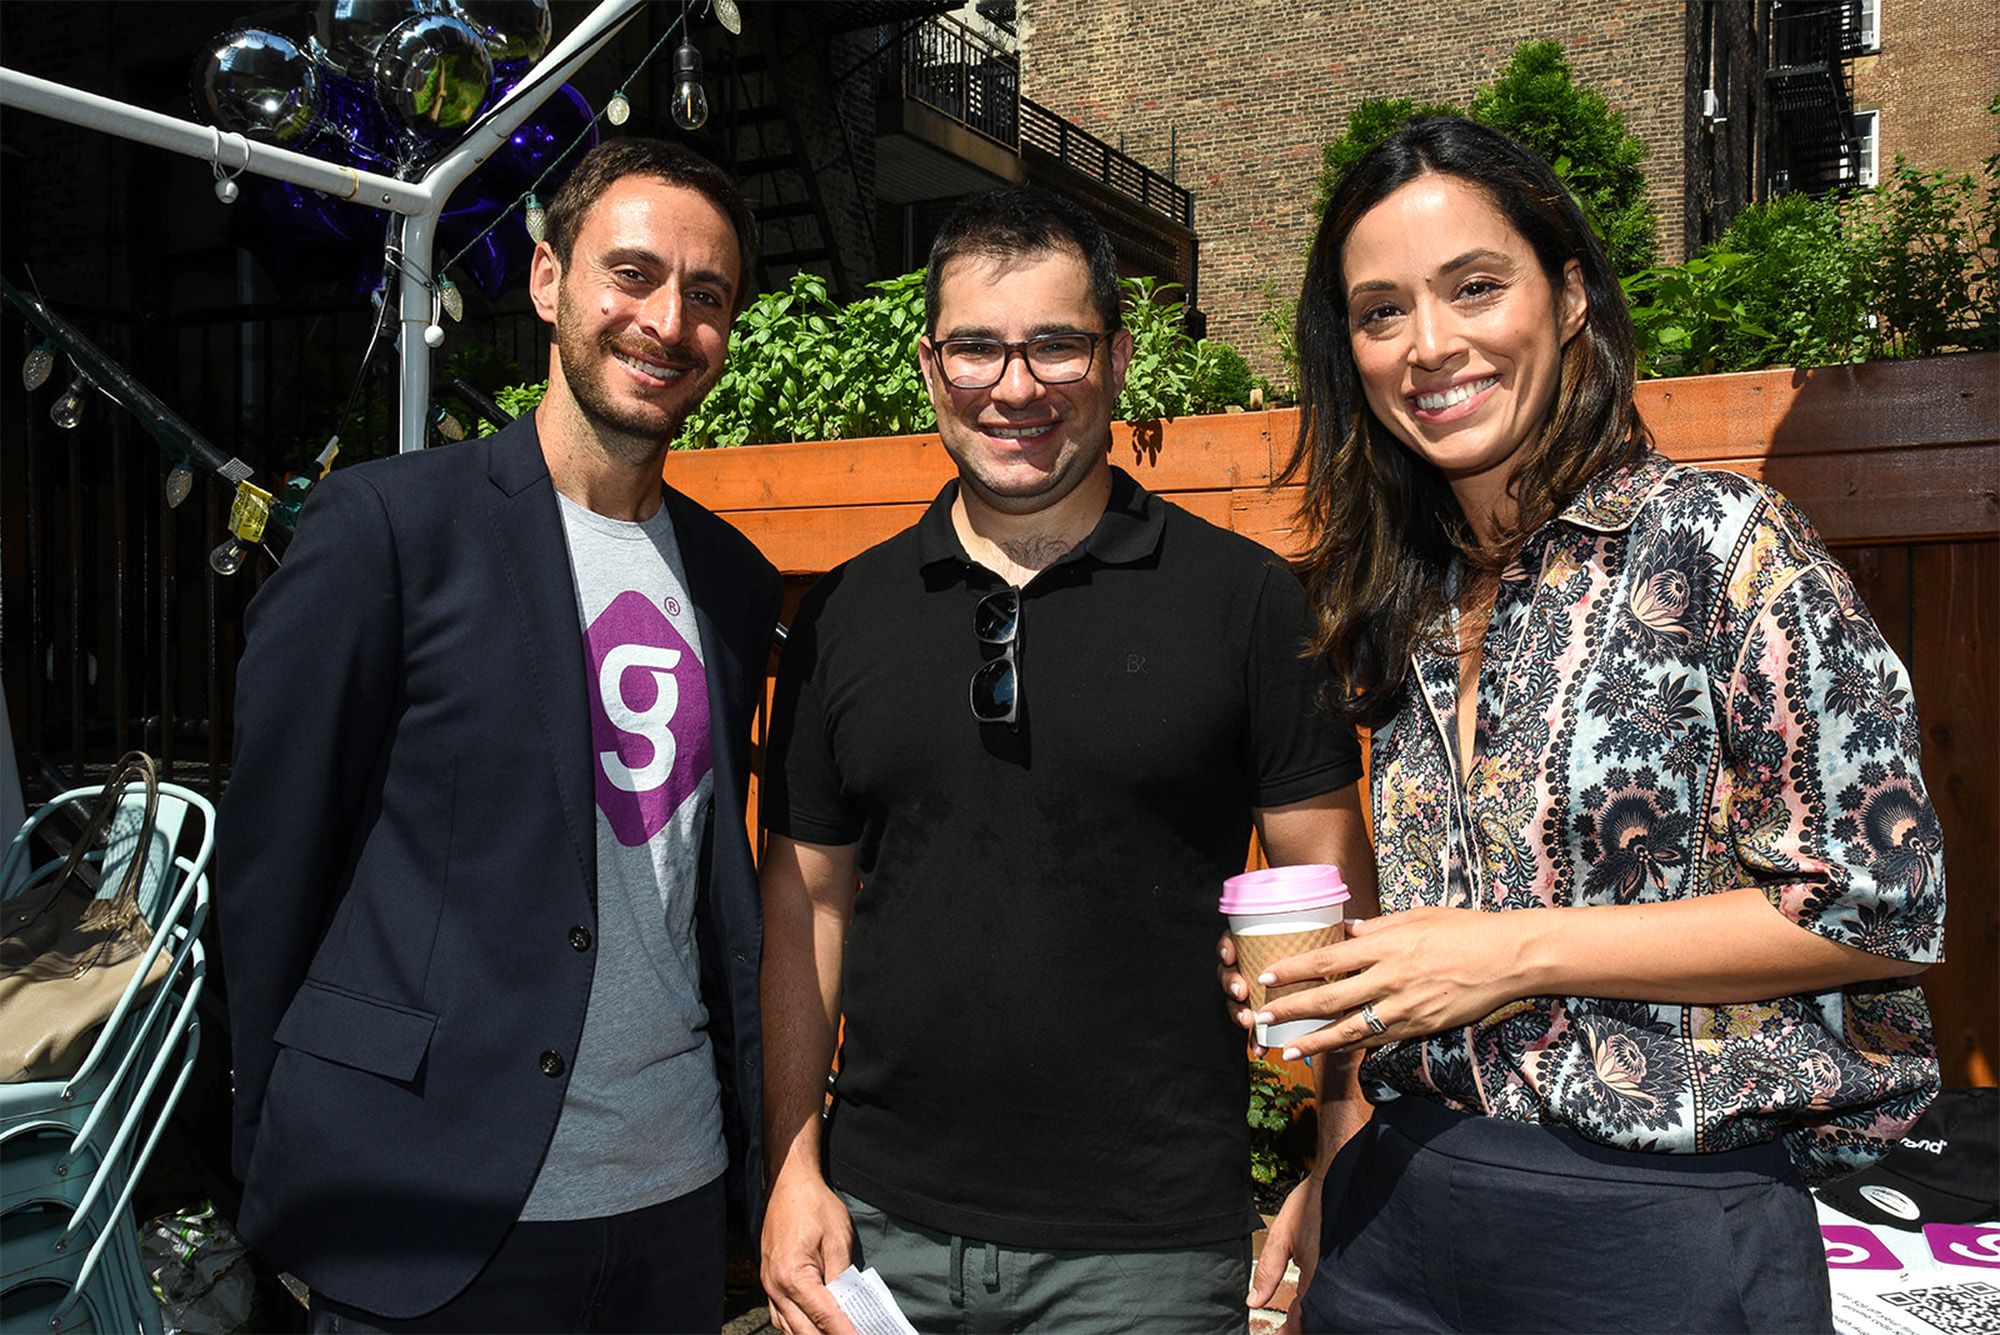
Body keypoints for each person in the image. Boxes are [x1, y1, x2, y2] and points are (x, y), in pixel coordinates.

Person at [1234, 115, 1944, 1333]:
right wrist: (1341, 1105)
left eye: (1473, 286)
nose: (1428, 344)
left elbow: (1877, 904)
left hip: (1659, 1229)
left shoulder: (1722, 544)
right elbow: (1437, 947)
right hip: (1398, 1204)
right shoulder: (1407, 591)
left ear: (1566, 297)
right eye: (1380, 311)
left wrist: (1502, 954)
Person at [756, 186, 1376, 1335]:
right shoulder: (844, 614)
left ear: (1117, 358)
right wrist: (793, 1165)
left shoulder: (1240, 602)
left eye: (1055, 345)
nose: (1015, 386)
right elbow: (808, 911)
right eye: (975, 349)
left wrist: (1334, 1149)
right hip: (878, 1233)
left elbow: (1331, 900)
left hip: (1146, 1254)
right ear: (931, 369)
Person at [217, 138, 782, 1333]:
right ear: (547, 280)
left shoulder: (734, 581)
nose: (666, 321)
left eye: (706, 294)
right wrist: (278, 1171)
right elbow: (272, 874)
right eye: (631, 274)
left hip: (673, 1209)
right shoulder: (385, 531)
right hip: (419, 1209)